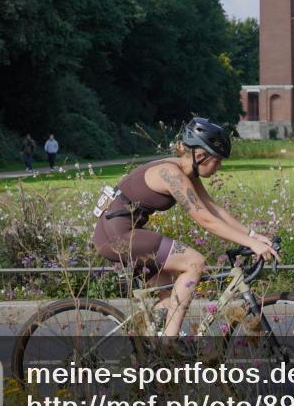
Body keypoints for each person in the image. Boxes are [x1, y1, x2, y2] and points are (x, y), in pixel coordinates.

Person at [91, 117, 279, 349]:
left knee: (169, 301)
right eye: (218, 161)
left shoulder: (187, 170)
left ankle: (152, 358)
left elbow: (213, 208)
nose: (219, 167)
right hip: (117, 237)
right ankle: (170, 346)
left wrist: (252, 235)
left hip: (122, 232)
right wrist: (251, 244)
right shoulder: (172, 174)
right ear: (201, 156)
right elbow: (205, 219)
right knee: (194, 263)